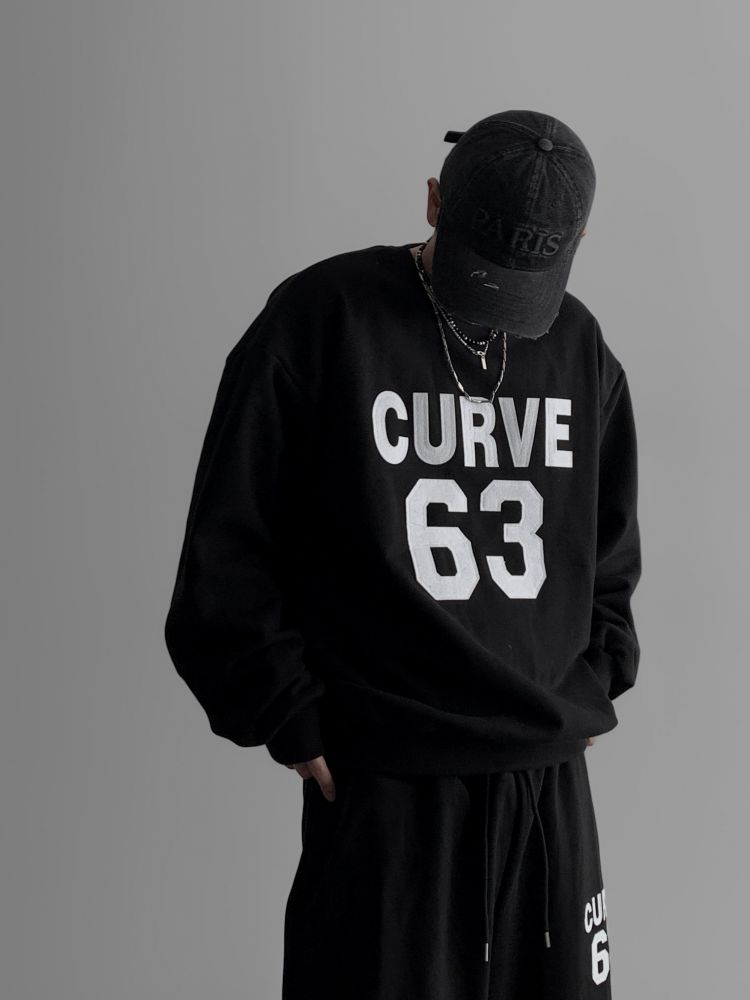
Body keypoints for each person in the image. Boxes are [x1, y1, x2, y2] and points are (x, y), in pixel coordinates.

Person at [164, 109, 642, 999]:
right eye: (481, 270)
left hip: (547, 781)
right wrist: (286, 712)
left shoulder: (579, 347)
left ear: (577, 242)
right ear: (432, 201)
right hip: (388, 781)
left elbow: (607, 552)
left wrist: (598, 675)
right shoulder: (324, 319)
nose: (498, 303)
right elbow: (228, 542)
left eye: (525, 283)